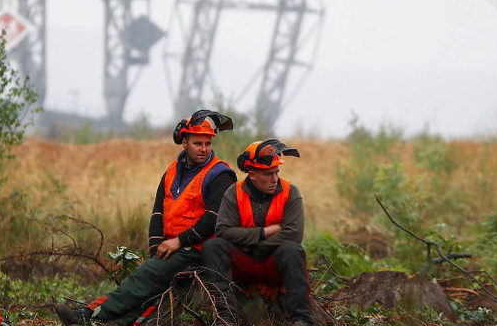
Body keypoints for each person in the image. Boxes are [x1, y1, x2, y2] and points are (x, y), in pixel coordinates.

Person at [55, 110, 238, 326]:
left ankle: (87, 315)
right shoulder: (172, 170)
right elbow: (158, 213)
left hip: (199, 250)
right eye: (198, 143)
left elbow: (213, 219)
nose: (204, 149)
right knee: (149, 282)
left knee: (143, 278)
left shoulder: (220, 174)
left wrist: (178, 242)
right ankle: (106, 321)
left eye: (208, 143)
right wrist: (156, 251)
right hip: (174, 248)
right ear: (184, 143)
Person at [202, 138, 313, 326]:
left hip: (272, 265)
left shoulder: (291, 192)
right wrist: (264, 232)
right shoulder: (233, 193)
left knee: (292, 250)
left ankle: (302, 319)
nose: (274, 179)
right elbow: (222, 231)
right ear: (252, 175)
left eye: (276, 172)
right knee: (213, 247)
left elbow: (294, 235)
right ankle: (225, 318)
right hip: (243, 266)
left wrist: (252, 245)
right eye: (268, 174)